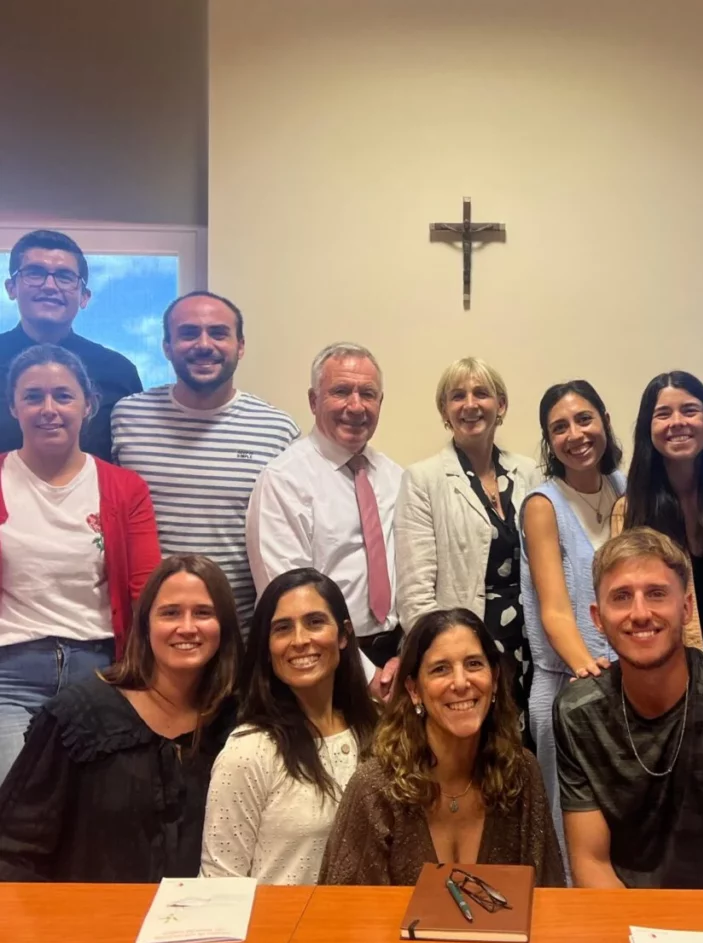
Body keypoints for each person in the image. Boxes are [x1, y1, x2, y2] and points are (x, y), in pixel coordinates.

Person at [554, 528, 703, 890]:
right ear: (597, 618)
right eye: (621, 597)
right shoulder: (579, 712)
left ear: (686, 608)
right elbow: (591, 863)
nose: (640, 613)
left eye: (656, 594)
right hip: (627, 921)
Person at [0, 555, 241, 882]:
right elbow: (14, 849)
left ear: (224, 626)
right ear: (145, 624)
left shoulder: (238, 725)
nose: (187, 627)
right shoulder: (78, 716)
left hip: (206, 924)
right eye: (170, 613)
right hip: (88, 926)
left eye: (203, 613)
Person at [0, 344, 161, 783]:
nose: (48, 409)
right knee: (16, 810)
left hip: (99, 673)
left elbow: (144, 592)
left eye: (63, 396)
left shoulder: (124, 489)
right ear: (13, 405)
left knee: (97, 811)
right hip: (9, 680)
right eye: (33, 396)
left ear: (88, 405)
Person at [318, 607, 565, 887]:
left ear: (494, 680)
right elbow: (341, 917)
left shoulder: (521, 772)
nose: (460, 683)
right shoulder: (373, 788)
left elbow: (549, 897)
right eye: (440, 669)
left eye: (473, 664)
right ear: (414, 690)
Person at [112, 291, 299, 625]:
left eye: (218, 333)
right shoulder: (127, 416)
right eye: (187, 333)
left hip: (239, 635)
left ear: (240, 346)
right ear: (166, 346)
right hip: (152, 632)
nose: (203, 344)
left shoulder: (278, 430)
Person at [201, 568, 378, 884]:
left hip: (367, 928)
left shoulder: (380, 730)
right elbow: (219, 884)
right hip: (275, 931)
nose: (300, 640)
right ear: (267, 649)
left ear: (344, 635)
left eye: (314, 622)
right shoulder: (249, 750)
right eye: (282, 628)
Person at [246, 342, 403, 696]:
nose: (356, 406)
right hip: (320, 658)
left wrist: (405, 657)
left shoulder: (395, 477)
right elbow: (287, 593)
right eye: (341, 392)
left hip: (394, 658)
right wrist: (365, 674)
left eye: (368, 394)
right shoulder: (283, 480)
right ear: (314, 400)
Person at [396, 357, 540, 738]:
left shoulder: (530, 473)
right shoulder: (423, 479)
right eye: (457, 396)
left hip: (530, 648)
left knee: (526, 757)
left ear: (501, 405)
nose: (470, 404)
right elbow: (414, 596)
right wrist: (449, 662)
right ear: (445, 411)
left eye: (482, 393)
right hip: (468, 654)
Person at [520, 379, 624, 860]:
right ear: (549, 441)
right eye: (559, 427)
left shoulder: (627, 489)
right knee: (572, 842)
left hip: (629, 686)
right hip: (569, 688)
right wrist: (592, 675)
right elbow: (555, 609)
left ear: (604, 419)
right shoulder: (543, 505)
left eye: (584, 419)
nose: (575, 434)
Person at [612, 371, 703, 669]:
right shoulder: (629, 510)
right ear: (647, 428)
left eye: (690, 410)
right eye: (663, 414)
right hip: (669, 679)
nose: (677, 422)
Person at [1, 229, 142, 461]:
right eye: (35, 273)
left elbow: (131, 458)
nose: (49, 286)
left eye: (65, 277)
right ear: (11, 287)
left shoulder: (119, 372)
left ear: (84, 296)